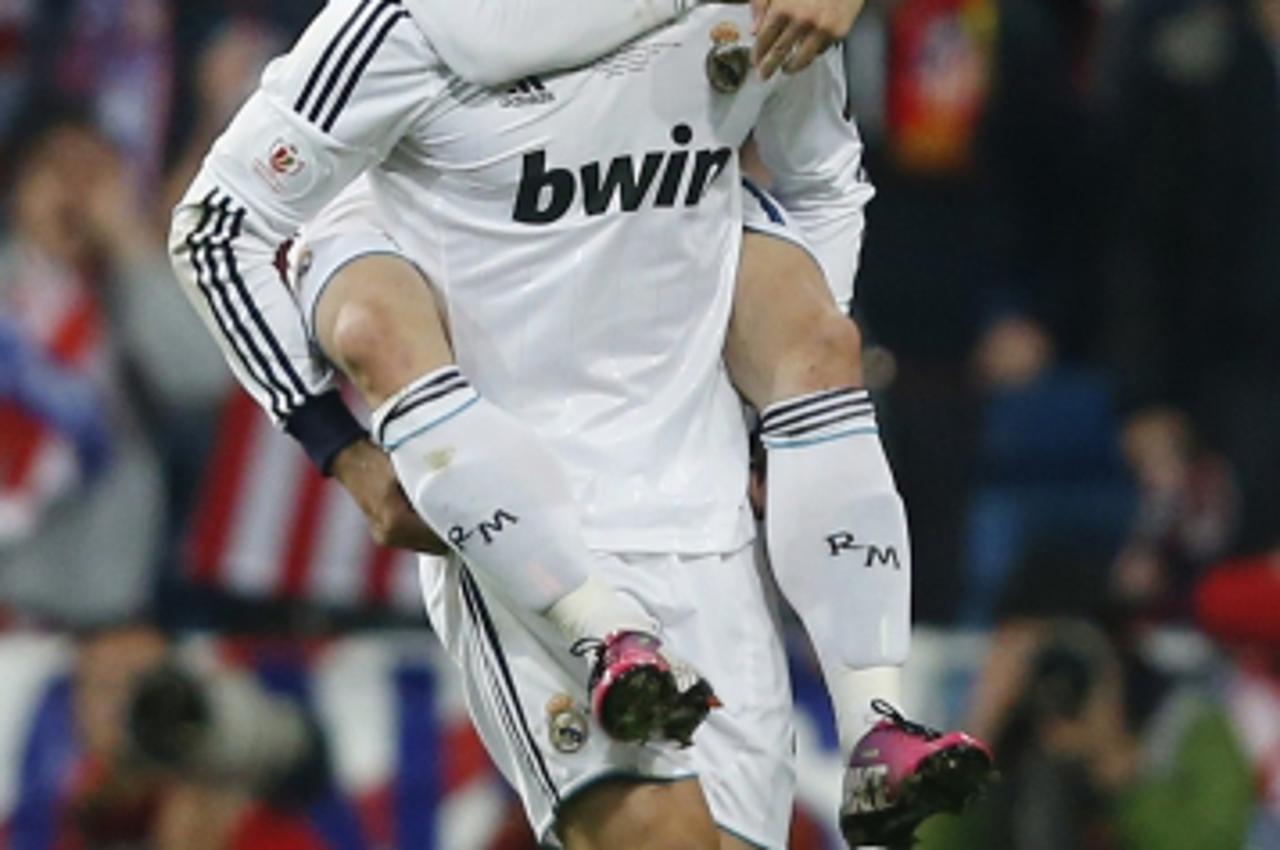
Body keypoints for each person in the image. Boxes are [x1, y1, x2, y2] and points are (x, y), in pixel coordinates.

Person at [168, 4, 985, 847]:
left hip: (703, 517)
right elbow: (218, 225)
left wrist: (772, 410)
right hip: (521, 538)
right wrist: (345, 454)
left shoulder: (756, 10)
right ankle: (599, 626)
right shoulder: (406, 27)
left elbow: (823, 182)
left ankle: (877, 717)